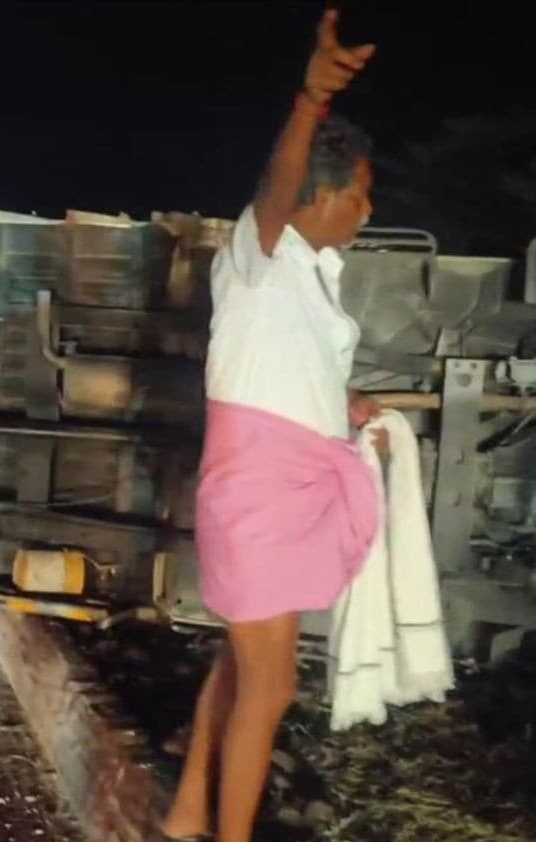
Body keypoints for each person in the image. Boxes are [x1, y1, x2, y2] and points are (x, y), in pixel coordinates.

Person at [160, 10, 386, 842]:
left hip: (276, 493)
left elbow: (288, 373)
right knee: (273, 685)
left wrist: (343, 403)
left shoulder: (308, 274)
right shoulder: (259, 255)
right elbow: (273, 189)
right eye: (359, 193)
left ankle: (188, 810)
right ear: (315, 198)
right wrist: (309, 102)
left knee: (241, 662)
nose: (367, 209)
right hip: (261, 498)